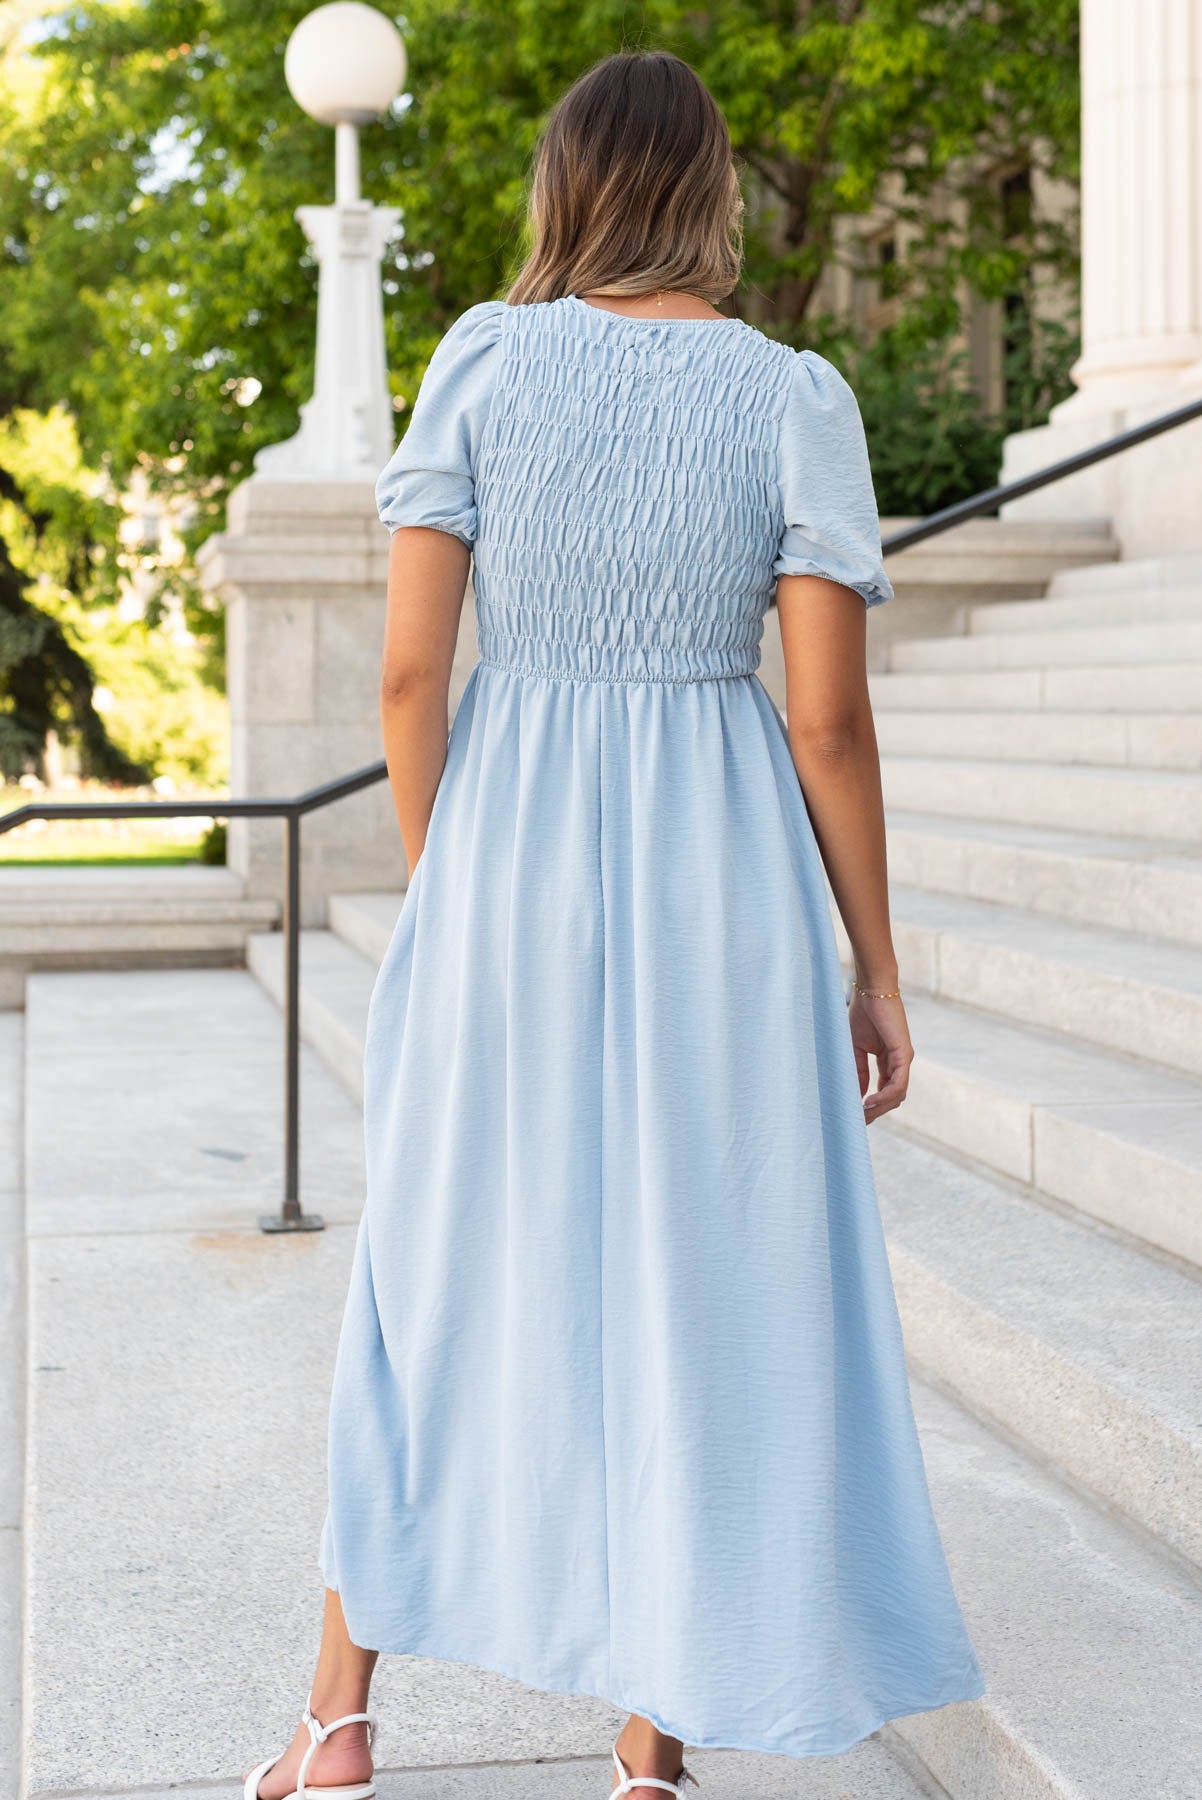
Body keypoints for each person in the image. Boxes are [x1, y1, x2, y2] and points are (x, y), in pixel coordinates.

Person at [243, 47, 984, 1800]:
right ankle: (648, 1758)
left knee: (427, 1282)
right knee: (703, 1293)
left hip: (505, 879)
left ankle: (338, 1717)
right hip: (721, 886)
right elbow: (824, 721)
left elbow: (412, 673)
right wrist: (871, 964)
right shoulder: (793, 393)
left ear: (564, 189)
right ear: (711, 192)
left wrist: (452, 888)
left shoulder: (484, 362)